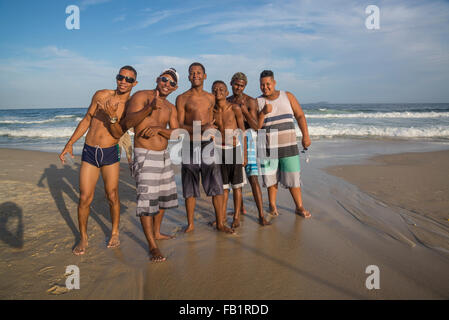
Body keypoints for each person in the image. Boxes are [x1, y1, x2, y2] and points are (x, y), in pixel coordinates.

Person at [59, 65, 138, 255]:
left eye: (128, 79)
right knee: (85, 196)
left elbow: (120, 132)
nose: (123, 81)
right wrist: (70, 143)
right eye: (121, 77)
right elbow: (87, 119)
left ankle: (114, 232)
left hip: (110, 152)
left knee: (112, 195)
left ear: (134, 83)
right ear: (116, 77)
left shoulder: (129, 107)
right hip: (89, 151)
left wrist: (112, 116)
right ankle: (83, 237)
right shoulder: (101, 95)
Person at [104, 68, 180, 262]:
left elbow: (178, 133)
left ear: (175, 88)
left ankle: (157, 233)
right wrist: (149, 109)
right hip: (144, 154)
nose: (166, 84)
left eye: (171, 83)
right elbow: (127, 123)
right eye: (164, 79)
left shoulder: (171, 107)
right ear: (158, 79)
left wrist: (159, 129)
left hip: (163, 156)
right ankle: (152, 246)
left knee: (163, 198)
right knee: (146, 201)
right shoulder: (141, 96)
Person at [176, 62, 234, 234]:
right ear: (188, 76)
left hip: (208, 144)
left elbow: (226, 111)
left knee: (216, 185)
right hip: (189, 144)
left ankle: (220, 222)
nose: (195, 75)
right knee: (190, 187)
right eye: (192, 73)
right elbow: (179, 125)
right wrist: (201, 128)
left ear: (205, 76)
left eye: (199, 72)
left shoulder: (211, 97)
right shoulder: (182, 98)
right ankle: (191, 224)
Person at [256, 70, 311, 218]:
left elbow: (299, 115)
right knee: (271, 178)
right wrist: (262, 112)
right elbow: (257, 127)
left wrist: (305, 135)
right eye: (262, 85)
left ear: (274, 83)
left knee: (293, 177)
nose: (265, 87)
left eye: (268, 84)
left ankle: (299, 207)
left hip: (289, 145)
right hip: (267, 146)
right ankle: (272, 205)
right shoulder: (258, 102)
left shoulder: (288, 96)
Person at [227, 72, 270, 226]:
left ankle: (261, 215)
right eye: (236, 84)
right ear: (231, 83)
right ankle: (241, 209)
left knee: (253, 177)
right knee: (235, 178)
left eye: (241, 85)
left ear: (244, 86)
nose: (238, 87)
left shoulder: (251, 101)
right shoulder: (227, 101)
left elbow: (256, 126)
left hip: (249, 138)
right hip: (232, 139)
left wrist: (244, 111)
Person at [212, 80, 246, 228]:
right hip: (219, 151)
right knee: (224, 187)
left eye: (221, 89)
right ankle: (223, 216)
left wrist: (244, 154)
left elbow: (243, 131)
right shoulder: (211, 110)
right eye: (215, 89)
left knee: (237, 186)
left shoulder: (234, 108)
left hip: (234, 151)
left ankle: (237, 216)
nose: (218, 91)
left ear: (227, 93)